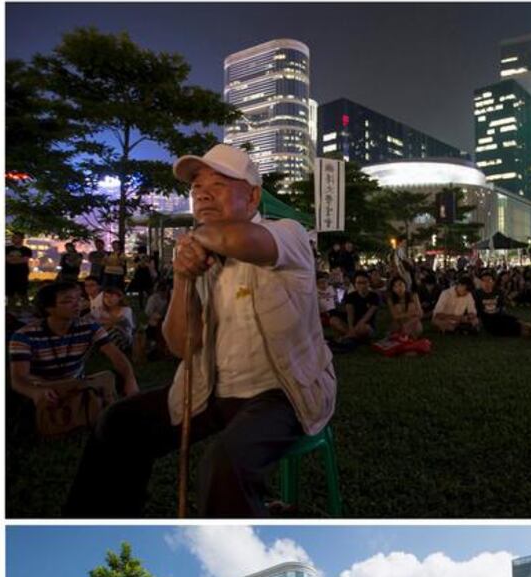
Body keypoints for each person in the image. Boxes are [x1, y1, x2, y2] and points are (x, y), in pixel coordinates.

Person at [64, 143, 336, 518]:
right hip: (211, 390)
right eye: (196, 188)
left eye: (219, 184)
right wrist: (182, 276)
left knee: (224, 463)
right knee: (119, 423)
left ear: (253, 196)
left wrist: (198, 240)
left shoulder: (287, 233)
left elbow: (244, 241)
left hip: (281, 392)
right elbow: (182, 345)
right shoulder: (197, 256)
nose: (202, 193)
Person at [8, 280, 138, 407]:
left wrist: (130, 379)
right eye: (68, 301)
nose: (77, 305)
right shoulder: (24, 336)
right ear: (49, 308)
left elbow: (116, 355)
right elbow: (19, 378)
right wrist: (34, 392)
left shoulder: (89, 327)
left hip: (76, 386)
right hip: (43, 388)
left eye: (79, 299)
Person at [474, 270, 531, 338]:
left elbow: (501, 305)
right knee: (499, 330)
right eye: (484, 281)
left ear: (493, 282)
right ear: (481, 283)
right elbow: (476, 309)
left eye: (489, 280)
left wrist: (502, 310)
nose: (486, 283)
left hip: (498, 315)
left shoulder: (498, 292)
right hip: (487, 318)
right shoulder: (477, 294)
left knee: (510, 320)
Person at [329, 270, 380, 346]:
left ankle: (348, 337)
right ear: (355, 284)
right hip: (351, 325)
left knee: (364, 328)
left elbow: (368, 315)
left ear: (369, 283)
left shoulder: (374, 296)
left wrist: (352, 331)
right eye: (359, 283)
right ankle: (355, 338)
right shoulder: (351, 296)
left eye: (364, 282)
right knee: (333, 320)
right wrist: (351, 328)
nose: (362, 285)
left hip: (365, 324)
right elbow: (350, 315)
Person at [6, 232, 33, 308]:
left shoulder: (27, 250)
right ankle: (11, 311)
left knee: (23, 294)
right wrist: (18, 259)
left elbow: (24, 260)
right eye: (13, 237)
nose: (13, 239)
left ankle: (26, 310)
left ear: (21, 239)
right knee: (10, 294)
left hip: (22, 274)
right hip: (9, 274)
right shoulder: (6, 249)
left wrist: (13, 260)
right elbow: (7, 260)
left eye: (15, 237)